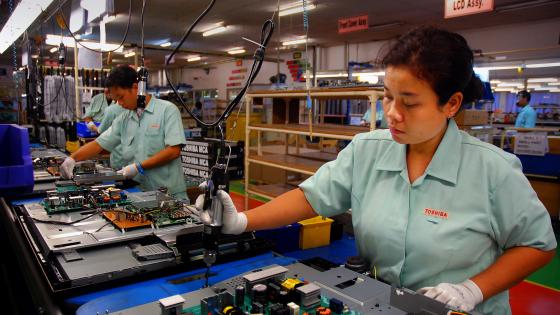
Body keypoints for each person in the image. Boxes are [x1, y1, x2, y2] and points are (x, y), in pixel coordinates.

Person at [194, 27, 556, 315]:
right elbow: (311, 197)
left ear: (452, 103)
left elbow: (537, 245)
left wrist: (471, 289)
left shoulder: (493, 170)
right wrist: (243, 222)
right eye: (387, 96)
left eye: (409, 102)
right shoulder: (368, 150)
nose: (392, 113)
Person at [60, 65, 188, 200]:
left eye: (121, 97)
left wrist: (138, 167)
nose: (119, 103)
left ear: (135, 87)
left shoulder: (167, 111)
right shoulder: (124, 119)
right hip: (139, 194)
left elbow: (174, 151)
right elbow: (99, 144)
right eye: (116, 99)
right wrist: (72, 159)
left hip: (169, 196)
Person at [97, 101, 129, 169]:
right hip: (133, 162)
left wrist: (92, 127)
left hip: (119, 159)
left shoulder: (111, 110)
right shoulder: (131, 112)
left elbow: (101, 130)